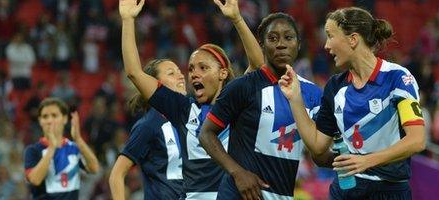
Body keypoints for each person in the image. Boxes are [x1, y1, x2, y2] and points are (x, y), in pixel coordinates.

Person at [118, 0, 264, 198]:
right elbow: (134, 72)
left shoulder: (235, 101)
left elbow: (257, 64)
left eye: (203, 68)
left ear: (222, 73)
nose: (193, 74)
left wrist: (237, 19)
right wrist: (127, 20)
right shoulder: (182, 108)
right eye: (191, 69)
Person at [277, 7, 426, 199]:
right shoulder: (335, 87)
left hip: (389, 191)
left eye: (330, 36)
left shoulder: (397, 78)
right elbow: (317, 146)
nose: (326, 46)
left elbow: (417, 140)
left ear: (352, 39)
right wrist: (295, 98)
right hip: (346, 190)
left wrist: (367, 161)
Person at [199, 7, 323, 200]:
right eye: (272, 39)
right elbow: (206, 134)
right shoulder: (242, 86)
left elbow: (319, 153)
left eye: (288, 38)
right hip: (238, 194)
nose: (281, 44)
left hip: (282, 194)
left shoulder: (313, 94)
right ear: (262, 45)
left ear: (298, 44)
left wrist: (362, 159)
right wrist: (237, 173)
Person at [108, 58, 188, 200]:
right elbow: (117, 174)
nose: (181, 76)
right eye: (171, 73)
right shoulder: (148, 125)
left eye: (179, 71)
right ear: (154, 84)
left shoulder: (191, 117)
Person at [24, 98, 101, 199]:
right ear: (40, 121)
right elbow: (35, 180)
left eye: (54, 116)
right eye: (45, 117)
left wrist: (78, 139)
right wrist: (52, 147)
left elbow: (94, 169)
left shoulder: (73, 148)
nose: (49, 121)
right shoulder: (33, 150)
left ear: (64, 118)